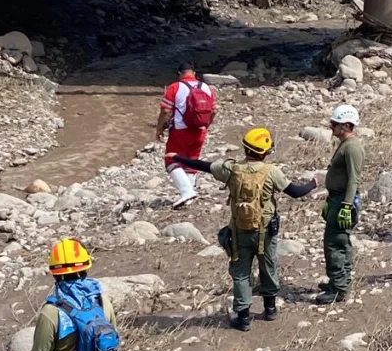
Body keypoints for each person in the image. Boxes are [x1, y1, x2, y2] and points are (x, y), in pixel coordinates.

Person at [169, 128, 319, 331]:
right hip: (266, 231)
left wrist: (178, 158)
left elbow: (203, 166)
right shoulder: (271, 172)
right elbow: (295, 192)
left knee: (240, 274)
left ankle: (243, 317)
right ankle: (270, 308)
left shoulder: (231, 169)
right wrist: (313, 183)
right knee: (268, 266)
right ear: (265, 152)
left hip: (239, 230)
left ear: (245, 148)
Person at [317, 105, 365, 305]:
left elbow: (354, 179)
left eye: (335, 124)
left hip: (343, 201)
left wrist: (346, 206)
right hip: (336, 198)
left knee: (335, 243)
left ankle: (339, 288)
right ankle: (339, 282)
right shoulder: (345, 144)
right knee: (339, 241)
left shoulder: (352, 147)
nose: (331, 126)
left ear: (346, 125)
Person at [156, 61, 217, 209]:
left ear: (179, 74)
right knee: (191, 162)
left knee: (171, 160)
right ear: (194, 73)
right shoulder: (206, 88)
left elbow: (165, 111)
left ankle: (186, 192)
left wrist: (158, 129)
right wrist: (206, 125)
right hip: (200, 130)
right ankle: (190, 195)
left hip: (180, 131)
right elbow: (214, 111)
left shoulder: (175, 87)